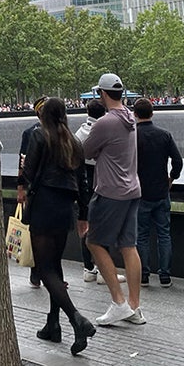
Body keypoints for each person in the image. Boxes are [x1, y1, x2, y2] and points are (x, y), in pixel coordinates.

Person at [19, 98, 97, 355]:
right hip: (66, 209)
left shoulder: (40, 136)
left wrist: (23, 173)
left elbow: (29, 172)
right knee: (56, 265)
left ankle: (77, 319)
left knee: (44, 269)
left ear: (43, 115)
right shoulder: (74, 142)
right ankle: (53, 325)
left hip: (43, 205)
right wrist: (83, 213)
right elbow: (83, 180)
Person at [82, 73, 145, 326]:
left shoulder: (105, 122)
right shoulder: (131, 118)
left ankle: (118, 302)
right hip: (133, 189)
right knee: (129, 246)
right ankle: (135, 306)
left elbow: (84, 151)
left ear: (103, 94)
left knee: (94, 242)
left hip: (110, 191)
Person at [132, 98, 183, 288]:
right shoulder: (164, 135)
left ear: (135, 114)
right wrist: (172, 178)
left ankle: (144, 276)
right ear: (152, 113)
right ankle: (165, 276)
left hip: (140, 193)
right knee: (164, 234)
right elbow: (177, 161)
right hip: (161, 192)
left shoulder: (132, 136)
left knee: (142, 236)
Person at [74, 99, 108, 283]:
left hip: (83, 186)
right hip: (102, 183)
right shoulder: (104, 133)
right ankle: (104, 271)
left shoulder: (79, 133)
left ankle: (88, 267)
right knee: (104, 226)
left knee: (86, 226)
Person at [18, 96, 47, 287]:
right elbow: (22, 162)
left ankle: (47, 271)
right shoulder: (29, 134)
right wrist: (20, 189)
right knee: (36, 232)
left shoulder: (62, 132)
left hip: (49, 190)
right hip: (36, 190)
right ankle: (36, 272)